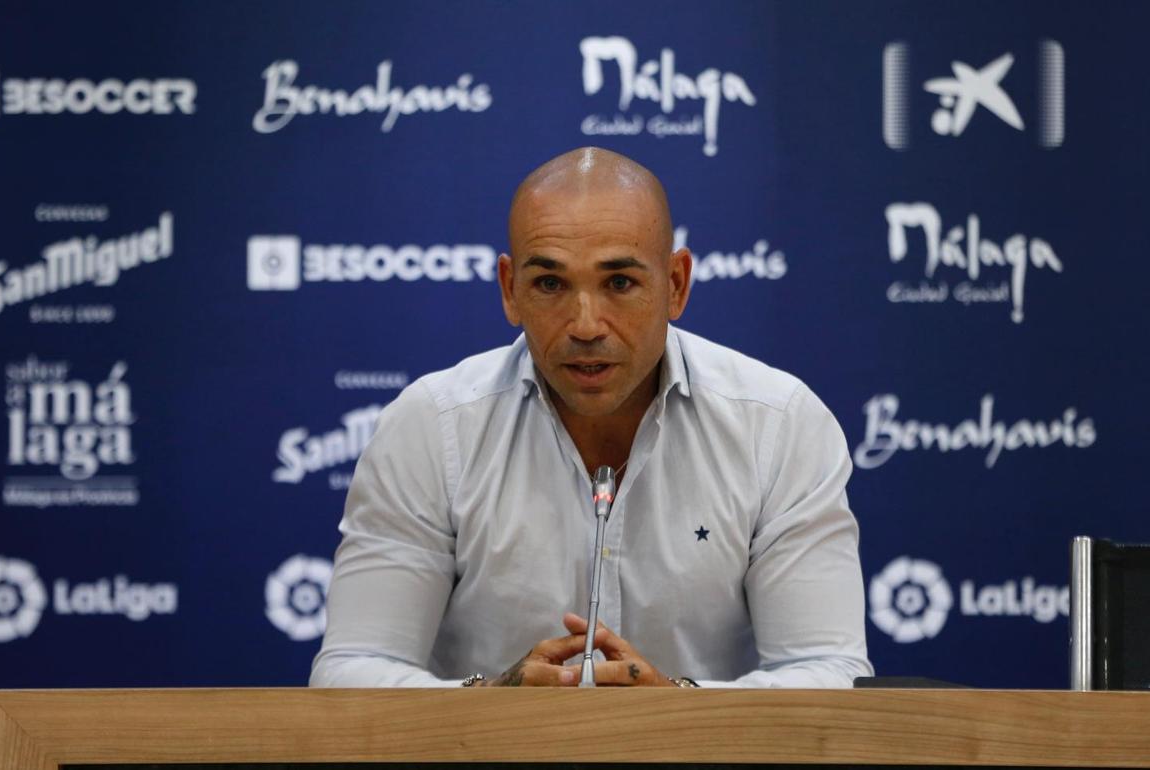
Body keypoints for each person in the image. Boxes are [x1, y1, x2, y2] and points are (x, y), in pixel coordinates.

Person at [310, 147, 872, 688]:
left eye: (620, 283)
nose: (585, 325)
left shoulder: (779, 425)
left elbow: (829, 672)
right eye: (551, 283)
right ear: (510, 291)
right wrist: (487, 703)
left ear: (675, 285)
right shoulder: (432, 427)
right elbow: (352, 671)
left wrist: (679, 707)